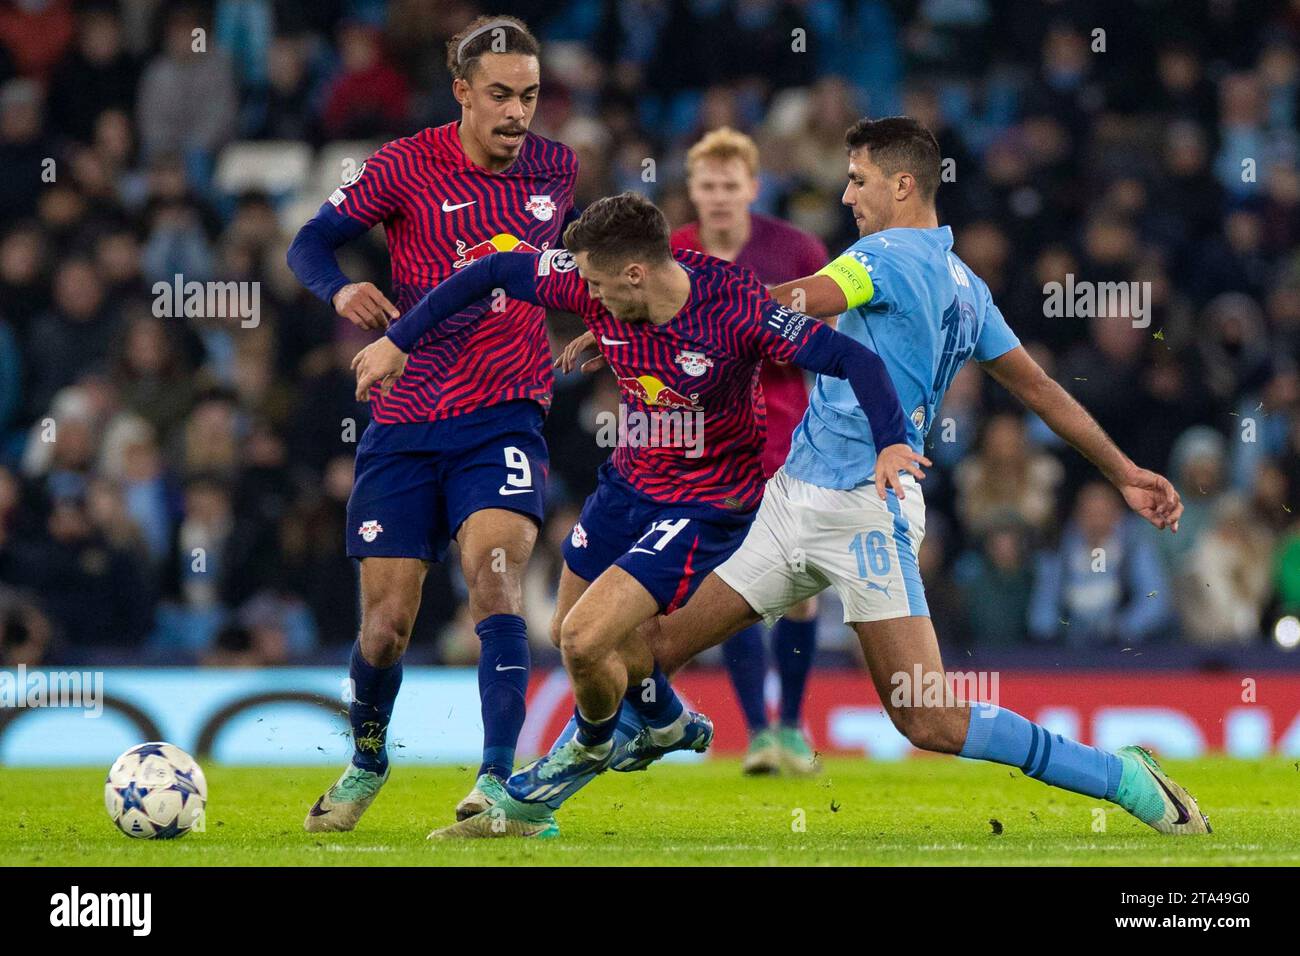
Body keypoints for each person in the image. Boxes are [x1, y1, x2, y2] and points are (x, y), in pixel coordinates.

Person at [640, 117, 1209, 836]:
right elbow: (1039, 388)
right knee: (657, 650)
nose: (847, 195)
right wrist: (1123, 470)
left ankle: (1122, 776)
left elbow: (794, 300)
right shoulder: (965, 284)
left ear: (902, 185)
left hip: (866, 509)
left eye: (858, 179)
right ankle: (525, 796)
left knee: (927, 716)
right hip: (792, 502)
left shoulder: (878, 257)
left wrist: (668, 311)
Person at [350, 192, 926, 837]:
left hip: (707, 501)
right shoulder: (597, 288)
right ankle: (662, 719)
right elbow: (487, 271)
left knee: (583, 638)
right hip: (628, 484)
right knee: (576, 632)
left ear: (635, 273)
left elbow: (854, 358)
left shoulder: (740, 310)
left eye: (597, 284)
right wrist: (400, 341)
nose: (584, 296)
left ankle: (590, 746)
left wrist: (891, 442)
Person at [285, 15, 579, 831]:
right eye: (499, 96)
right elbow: (310, 242)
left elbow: (572, 267)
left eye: (528, 95)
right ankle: (368, 758)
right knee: (385, 627)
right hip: (407, 418)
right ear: (461, 92)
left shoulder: (560, 169)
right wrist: (341, 291)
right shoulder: (404, 165)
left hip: (506, 412)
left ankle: (496, 782)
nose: (518, 113)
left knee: (493, 581)